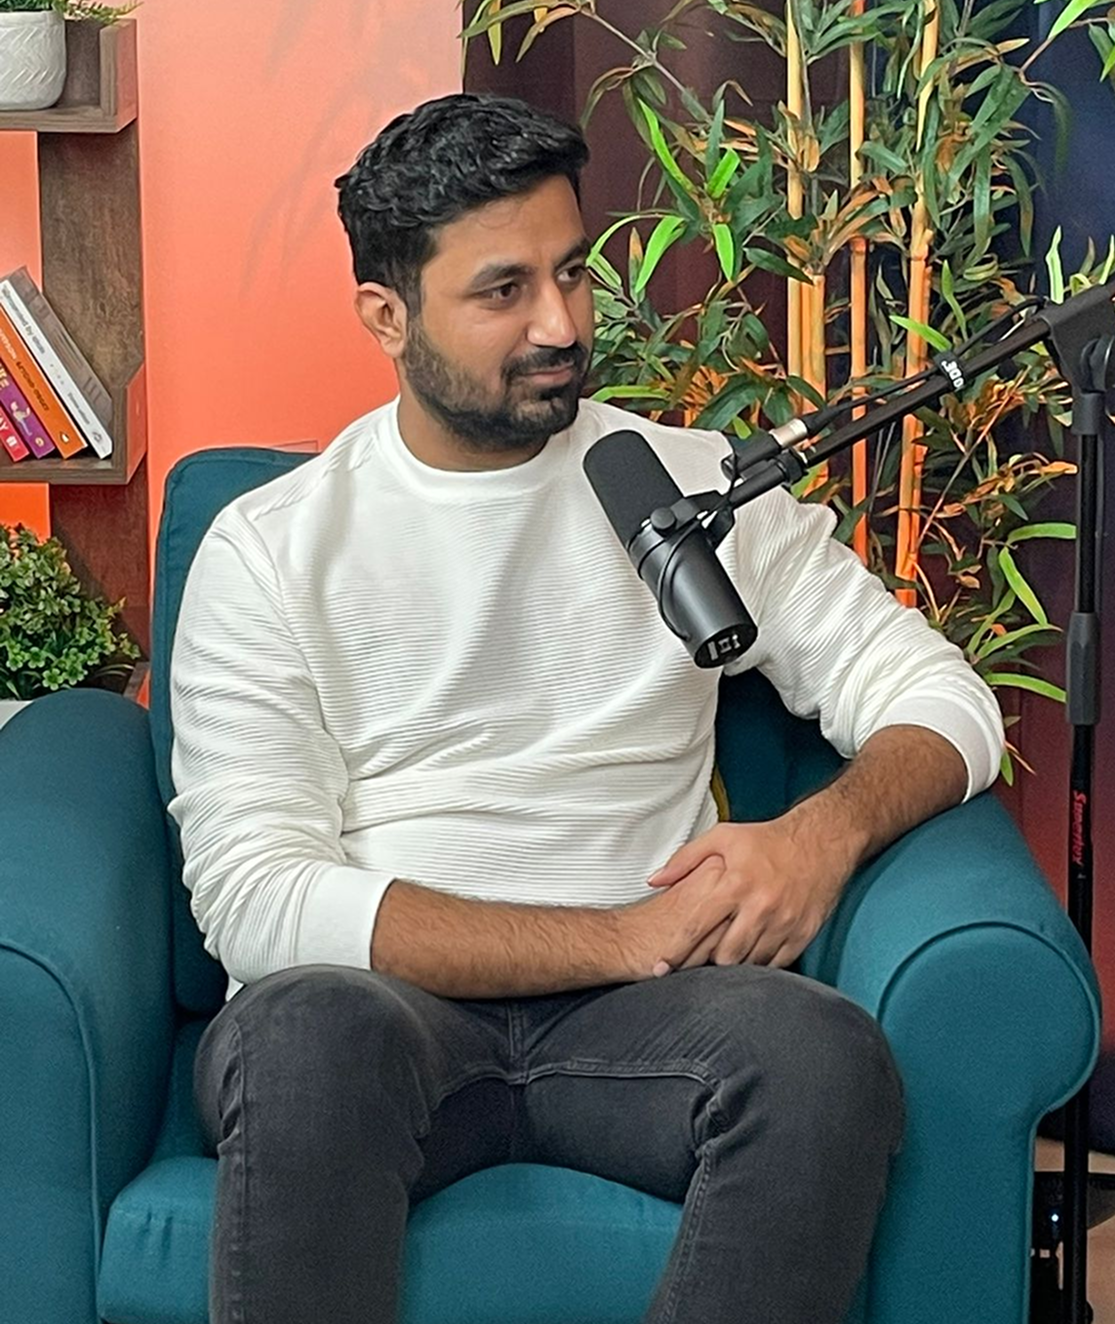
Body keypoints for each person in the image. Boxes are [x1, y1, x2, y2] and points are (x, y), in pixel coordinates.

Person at [170, 93, 1004, 1324]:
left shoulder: (692, 490)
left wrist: (817, 836)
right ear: (386, 315)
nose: (560, 324)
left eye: (571, 271)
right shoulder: (272, 550)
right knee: (301, 1038)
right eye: (502, 290)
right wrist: (619, 935)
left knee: (821, 1058)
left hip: (655, 1025)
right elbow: (258, 900)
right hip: (384, 1018)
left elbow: (945, 699)